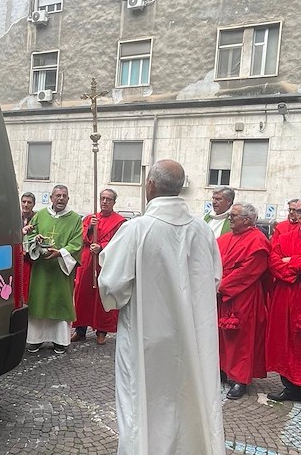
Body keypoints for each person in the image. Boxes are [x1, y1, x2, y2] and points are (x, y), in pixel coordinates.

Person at [98, 160, 224, 455]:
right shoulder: (203, 231)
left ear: (150, 186)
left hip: (147, 337)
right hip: (192, 337)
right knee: (187, 396)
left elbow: (112, 285)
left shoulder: (136, 230)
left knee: (142, 400)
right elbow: (215, 277)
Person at [216, 203, 270, 400]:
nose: (230, 218)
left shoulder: (258, 241)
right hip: (223, 296)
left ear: (247, 220)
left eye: (234, 216)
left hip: (244, 296)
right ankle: (222, 369)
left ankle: (241, 379)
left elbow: (248, 272)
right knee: (221, 336)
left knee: (242, 339)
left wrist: (220, 285)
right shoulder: (224, 239)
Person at [26, 185, 83, 354]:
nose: (61, 198)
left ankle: (60, 341)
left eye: (64, 196)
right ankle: (36, 339)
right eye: (58, 195)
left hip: (61, 270)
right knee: (39, 301)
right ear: (51, 198)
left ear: (68, 199)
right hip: (41, 268)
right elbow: (30, 234)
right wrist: (35, 239)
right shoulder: (40, 215)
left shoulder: (74, 219)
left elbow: (77, 243)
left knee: (60, 302)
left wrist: (61, 252)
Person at [72, 189, 126, 345]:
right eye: (102, 198)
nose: (104, 202)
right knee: (83, 295)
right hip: (88, 262)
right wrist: (89, 228)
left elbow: (120, 243)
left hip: (105, 263)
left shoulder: (120, 222)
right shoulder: (90, 218)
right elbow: (79, 237)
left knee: (103, 297)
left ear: (114, 202)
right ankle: (80, 329)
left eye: (108, 199)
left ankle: (101, 331)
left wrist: (101, 247)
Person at [266, 204, 301, 402]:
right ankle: (289, 387)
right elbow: (274, 262)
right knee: (284, 342)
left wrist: (292, 261)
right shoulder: (286, 237)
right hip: (284, 296)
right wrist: (294, 270)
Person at [21, 192, 36, 303]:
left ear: (33, 204)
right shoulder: (14, 217)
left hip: (31, 259)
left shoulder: (37, 218)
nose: (26, 205)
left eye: (29, 202)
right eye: (24, 202)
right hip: (17, 257)